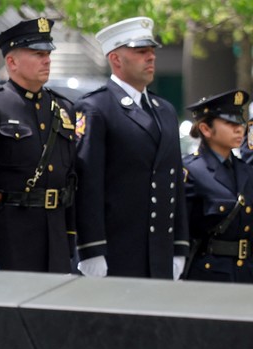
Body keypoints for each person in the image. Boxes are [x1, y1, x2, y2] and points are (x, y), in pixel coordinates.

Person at [0, 18, 77, 273]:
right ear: (12, 62)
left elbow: (70, 182)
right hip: (10, 239)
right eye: (38, 54)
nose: (47, 60)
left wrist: (69, 239)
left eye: (48, 54)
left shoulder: (62, 108)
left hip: (55, 239)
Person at [75, 17, 188, 279]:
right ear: (115, 59)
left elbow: (174, 182)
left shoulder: (165, 110)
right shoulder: (96, 107)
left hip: (159, 250)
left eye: (152, 51)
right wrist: (91, 249)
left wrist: (179, 245)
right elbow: (88, 184)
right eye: (141, 51)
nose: (151, 57)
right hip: (117, 251)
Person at [181, 90, 253, 283]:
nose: (239, 129)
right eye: (230, 123)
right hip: (208, 275)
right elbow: (181, 230)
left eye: (240, 123)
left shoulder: (245, 170)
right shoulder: (191, 171)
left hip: (245, 274)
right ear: (206, 129)